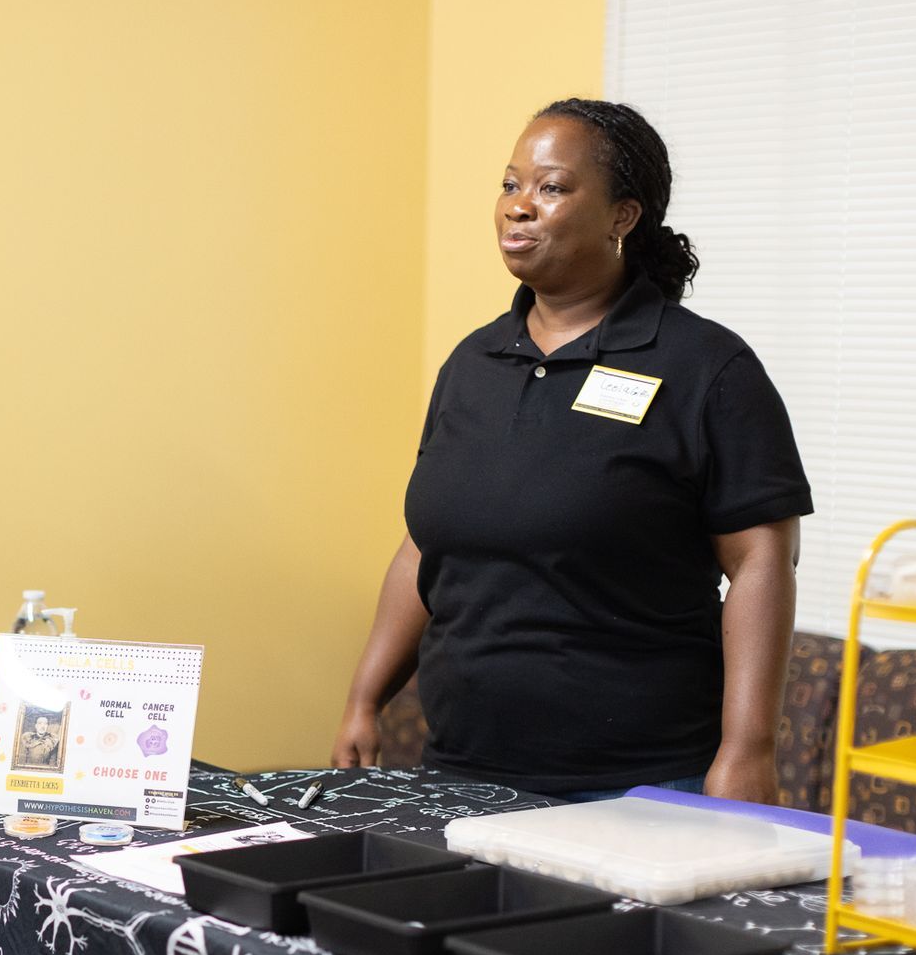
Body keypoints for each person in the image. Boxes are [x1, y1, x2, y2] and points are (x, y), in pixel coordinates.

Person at [334, 99, 812, 802]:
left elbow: (762, 559)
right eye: (509, 185)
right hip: (463, 771)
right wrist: (365, 697)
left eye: (552, 188)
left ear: (624, 215)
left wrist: (748, 751)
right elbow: (424, 546)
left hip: (639, 783)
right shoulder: (471, 365)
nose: (519, 207)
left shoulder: (705, 367)